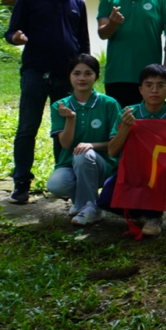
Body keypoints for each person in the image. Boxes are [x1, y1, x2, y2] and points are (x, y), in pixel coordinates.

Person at [4, 0, 91, 204]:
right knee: (27, 128)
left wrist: (84, 72)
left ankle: (62, 180)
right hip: (35, 73)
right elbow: (11, 32)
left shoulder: (77, 4)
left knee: (63, 130)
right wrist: (16, 38)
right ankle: (21, 183)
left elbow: (83, 42)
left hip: (66, 77)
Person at [100, 63, 166, 236]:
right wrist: (126, 127)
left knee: (157, 173)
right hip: (129, 172)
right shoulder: (128, 113)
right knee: (105, 200)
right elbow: (112, 151)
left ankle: (153, 217)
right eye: (149, 85)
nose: (154, 90)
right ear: (141, 90)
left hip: (160, 173)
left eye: (160, 85)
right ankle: (139, 213)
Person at [44, 54, 122, 227]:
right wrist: (70, 118)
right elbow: (65, 144)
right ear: (69, 76)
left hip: (104, 165)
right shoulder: (60, 106)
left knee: (83, 154)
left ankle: (88, 206)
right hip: (69, 164)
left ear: (96, 76)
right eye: (76, 73)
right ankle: (85, 204)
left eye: (88, 73)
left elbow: (116, 143)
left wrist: (91, 146)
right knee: (56, 184)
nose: (82, 78)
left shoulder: (109, 104)